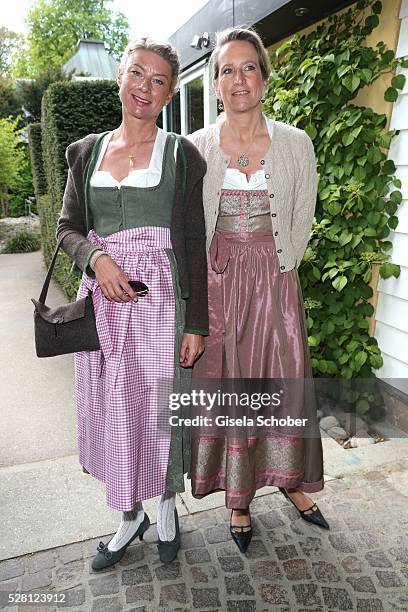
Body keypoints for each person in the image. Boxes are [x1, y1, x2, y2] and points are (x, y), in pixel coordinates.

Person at [56, 37, 208, 568]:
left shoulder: (182, 155)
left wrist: (198, 322)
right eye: (137, 73)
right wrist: (96, 260)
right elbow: (68, 229)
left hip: (162, 304)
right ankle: (128, 517)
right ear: (119, 77)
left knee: (159, 413)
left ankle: (165, 508)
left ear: (168, 94)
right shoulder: (85, 152)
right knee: (115, 414)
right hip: (103, 304)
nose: (146, 86)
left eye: (160, 79)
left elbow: (193, 241)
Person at [189, 27, 329, 553]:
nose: (238, 78)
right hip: (221, 284)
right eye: (227, 69)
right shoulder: (197, 146)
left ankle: (292, 481)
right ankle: (240, 498)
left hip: (274, 281)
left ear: (265, 78)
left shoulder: (295, 143)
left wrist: (282, 265)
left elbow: (302, 214)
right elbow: (189, 225)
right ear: (216, 83)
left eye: (249, 67)